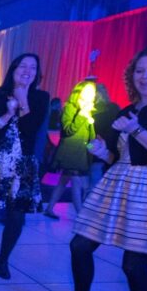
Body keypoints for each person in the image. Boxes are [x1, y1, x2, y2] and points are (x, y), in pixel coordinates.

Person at [49, 45, 147, 291]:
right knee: (79, 245)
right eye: (140, 70)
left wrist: (136, 130)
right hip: (118, 182)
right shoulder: (127, 111)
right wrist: (104, 153)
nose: (146, 76)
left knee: (134, 264)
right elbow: (119, 155)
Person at [0, 53, 48, 279]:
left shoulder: (41, 98)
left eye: (32, 67)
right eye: (23, 66)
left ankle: (3, 258)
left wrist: (23, 102)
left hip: (22, 166)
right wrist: (8, 113)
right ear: (13, 69)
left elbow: (31, 130)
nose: (27, 71)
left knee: (16, 217)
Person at [43, 80, 99, 219]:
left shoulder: (88, 110)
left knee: (63, 181)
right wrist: (82, 114)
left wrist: (92, 148)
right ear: (79, 93)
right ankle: (81, 214)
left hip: (81, 154)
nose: (90, 95)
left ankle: (49, 208)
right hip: (69, 154)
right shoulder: (70, 108)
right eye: (87, 91)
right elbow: (68, 130)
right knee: (76, 181)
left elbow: (89, 136)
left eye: (92, 92)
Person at [89, 83, 120, 188]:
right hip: (103, 148)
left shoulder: (93, 110)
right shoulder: (113, 108)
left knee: (94, 177)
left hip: (99, 148)